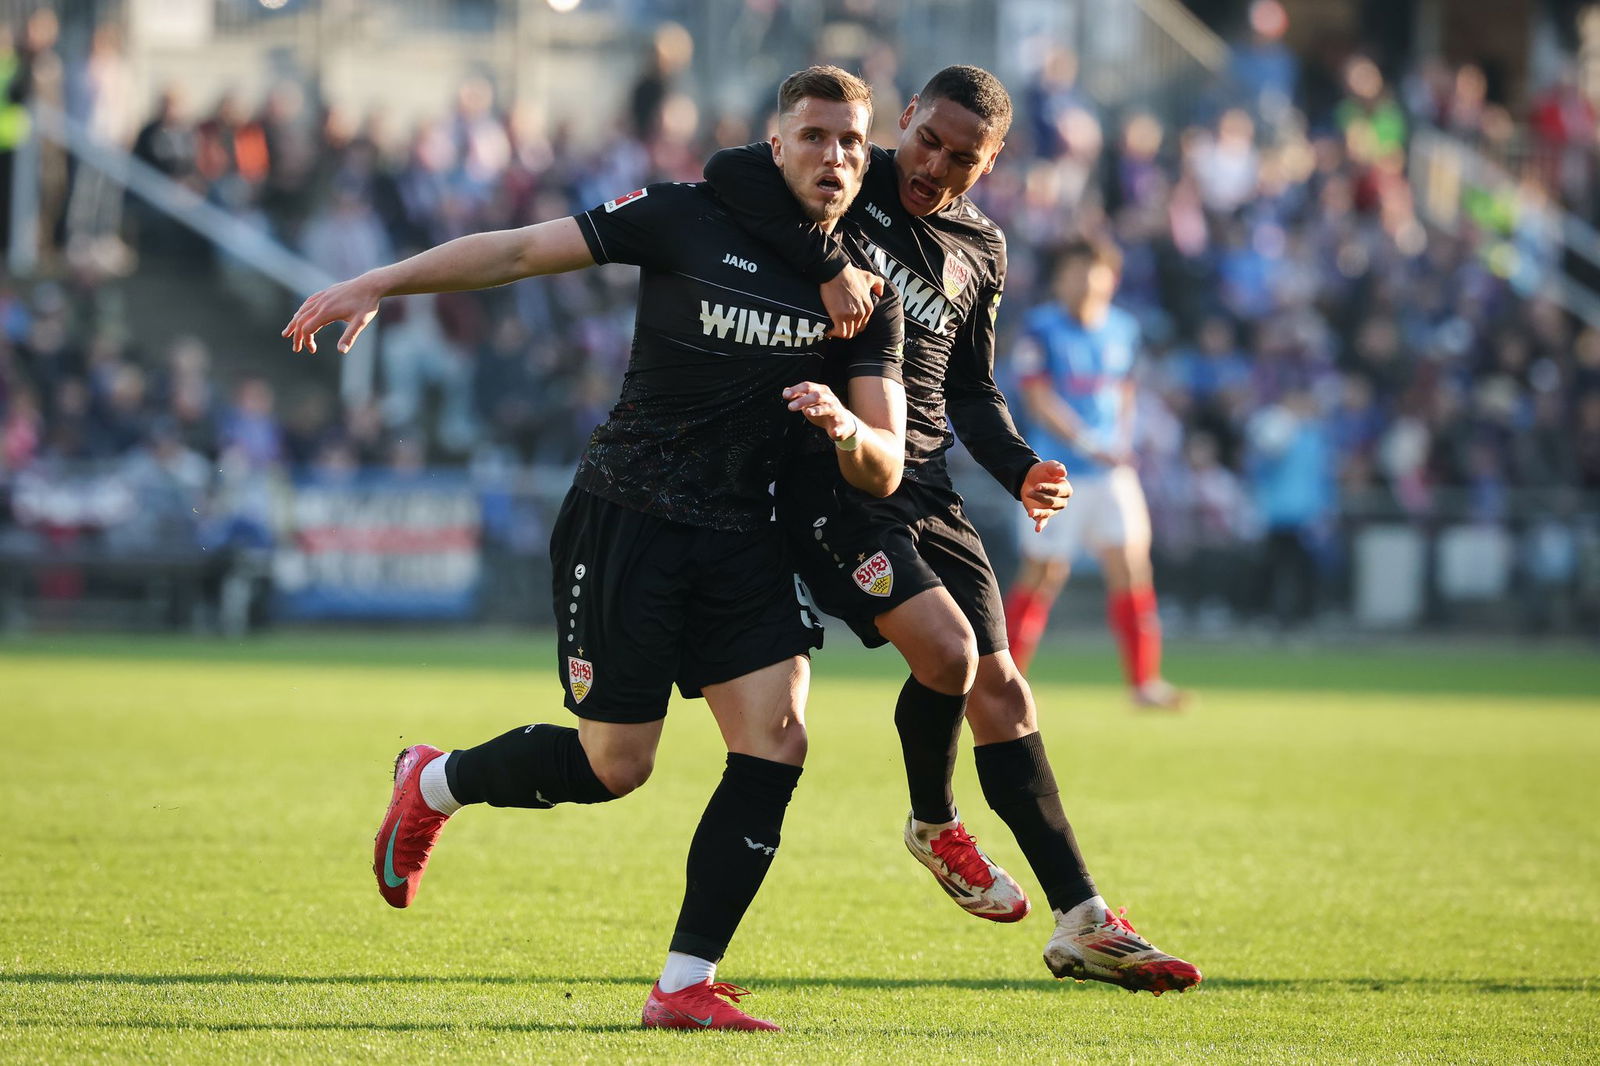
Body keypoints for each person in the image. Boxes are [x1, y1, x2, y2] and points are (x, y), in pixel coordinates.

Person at [282, 65, 908, 1032]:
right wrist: (382, 280)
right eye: (816, 136)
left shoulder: (865, 291)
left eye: (852, 142)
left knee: (779, 738)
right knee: (617, 765)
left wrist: (844, 429)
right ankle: (434, 781)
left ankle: (683, 984)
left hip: (745, 535)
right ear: (776, 142)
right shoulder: (683, 216)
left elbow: (885, 465)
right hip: (630, 517)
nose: (834, 156)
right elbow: (517, 252)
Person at [704, 66, 1200, 993]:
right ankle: (934, 823)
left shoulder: (983, 247)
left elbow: (971, 387)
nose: (933, 166)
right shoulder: (848, 178)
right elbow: (729, 171)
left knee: (1005, 696)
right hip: (836, 470)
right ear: (905, 120)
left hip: (928, 485)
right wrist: (827, 265)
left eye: (961, 157)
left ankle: (1084, 921)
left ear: (992, 161)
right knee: (949, 653)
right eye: (926, 140)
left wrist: (1021, 467)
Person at [1005, 237, 1191, 711]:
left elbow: (1124, 389)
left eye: (1095, 270)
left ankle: (1144, 683)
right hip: (1056, 471)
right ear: (1060, 278)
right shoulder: (1041, 327)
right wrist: (1089, 442)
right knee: (1043, 573)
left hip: (1111, 472)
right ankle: (1003, 682)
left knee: (1132, 565)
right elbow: (1037, 398)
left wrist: (1122, 440)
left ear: (1112, 278)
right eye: (1076, 270)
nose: (1086, 280)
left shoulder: (1123, 328)